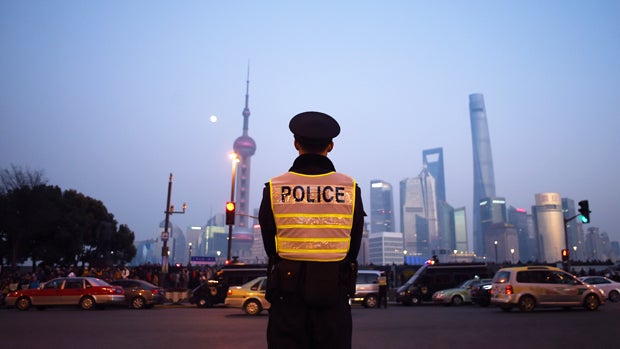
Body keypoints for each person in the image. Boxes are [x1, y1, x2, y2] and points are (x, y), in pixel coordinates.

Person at [259, 111, 365, 349]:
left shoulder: (275, 187)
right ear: (331, 146)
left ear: (296, 144)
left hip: (287, 294)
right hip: (333, 293)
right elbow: (354, 243)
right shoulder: (349, 188)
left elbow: (269, 244)